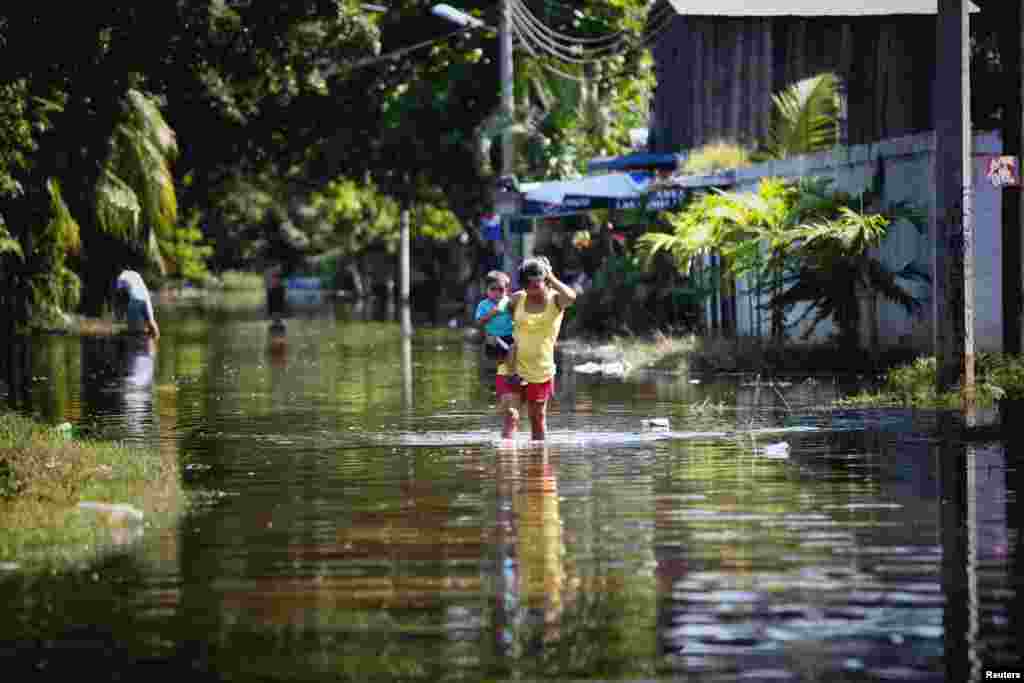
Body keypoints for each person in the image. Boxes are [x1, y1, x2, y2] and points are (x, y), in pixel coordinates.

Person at [504, 256, 576, 440]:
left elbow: (571, 296)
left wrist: (550, 276)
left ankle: (538, 464)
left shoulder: (556, 301)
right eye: (528, 284)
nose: (533, 289)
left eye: (537, 283)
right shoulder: (518, 299)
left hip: (541, 371)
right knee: (511, 415)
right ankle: (505, 459)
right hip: (514, 368)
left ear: (545, 281)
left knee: (537, 418)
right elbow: (499, 315)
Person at [475, 270, 515, 364]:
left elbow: (516, 317)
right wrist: (491, 313)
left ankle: (508, 375)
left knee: (510, 361)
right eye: (493, 289)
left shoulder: (509, 302)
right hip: (493, 338)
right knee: (498, 362)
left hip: (509, 335)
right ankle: (497, 375)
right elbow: (479, 322)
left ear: (506, 290)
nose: (497, 292)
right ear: (486, 289)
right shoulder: (483, 305)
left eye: (501, 289)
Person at [114, 269, 160, 340]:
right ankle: (154, 340)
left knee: (133, 329)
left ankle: (136, 344)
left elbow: (120, 294)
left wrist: (119, 313)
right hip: (145, 298)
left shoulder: (120, 277)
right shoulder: (135, 274)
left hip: (134, 299)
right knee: (151, 322)